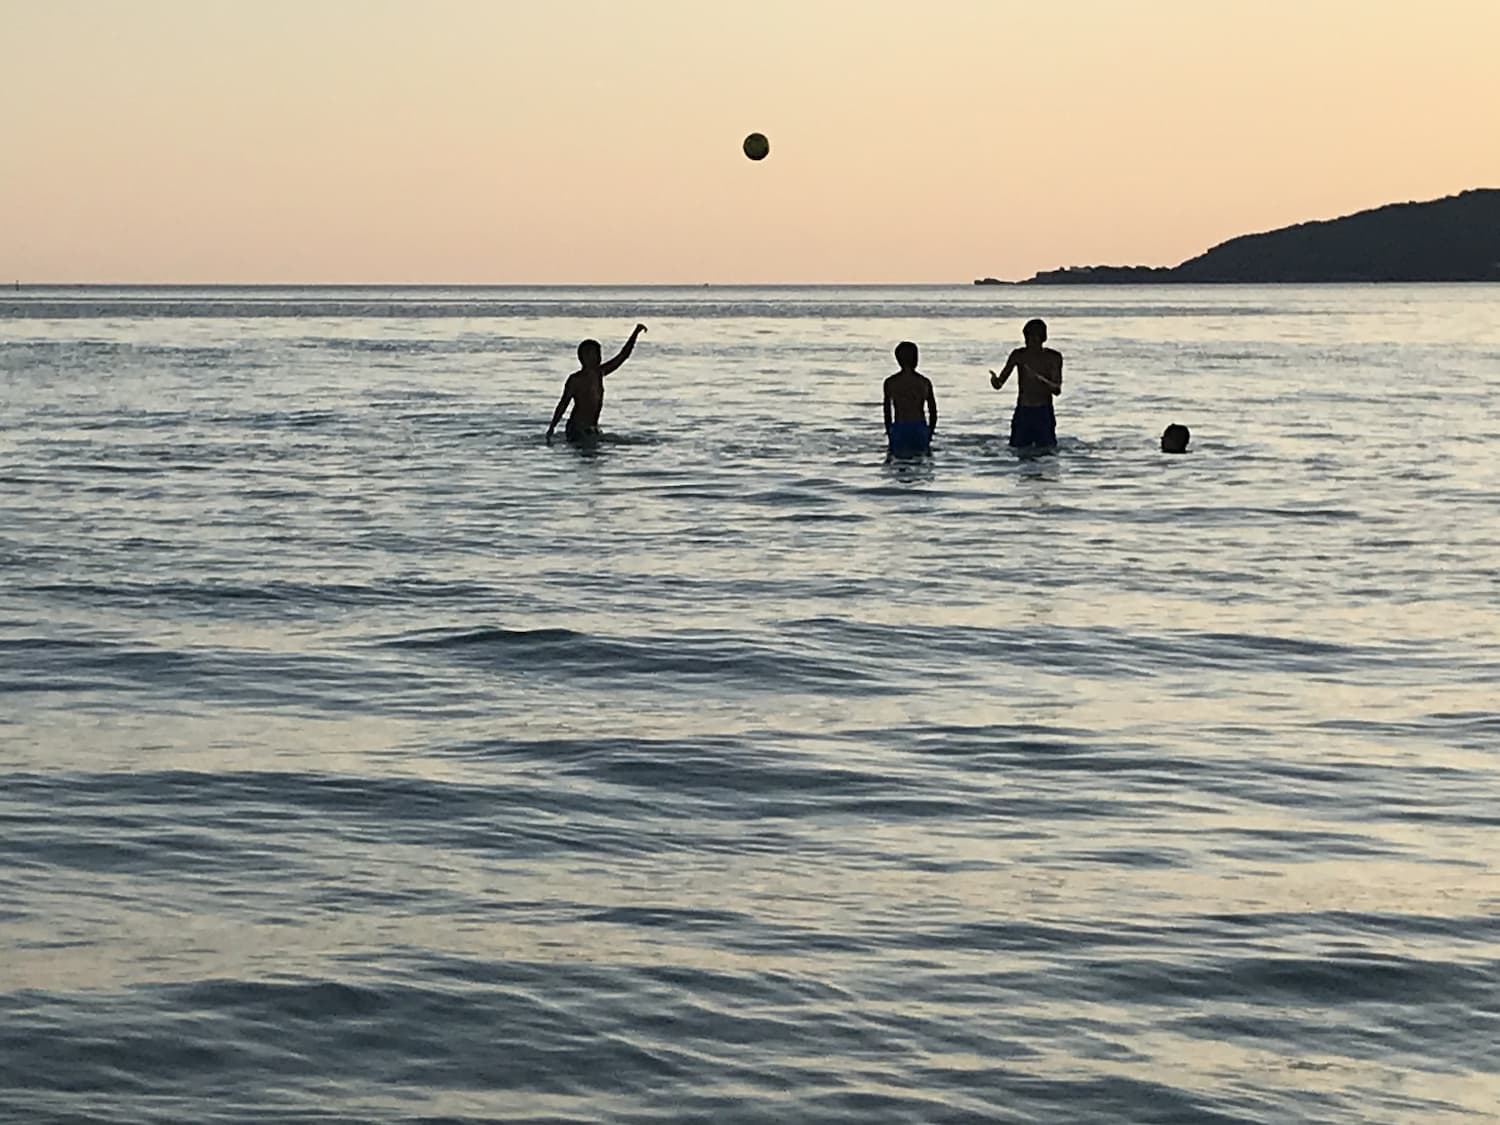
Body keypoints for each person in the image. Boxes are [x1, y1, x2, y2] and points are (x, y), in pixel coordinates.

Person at [546, 323, 647, 442]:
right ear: (584, 357)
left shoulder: (599, 373)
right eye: (596, 354)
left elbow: (623, 356)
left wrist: (635, 332)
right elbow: (563, 404)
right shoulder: (575, 380)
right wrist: (552, 427)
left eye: (599, 354)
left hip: (592, 428)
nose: (599, 357)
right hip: (577, 429)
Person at [990, 318, 1062, 448]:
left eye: (1034, 338)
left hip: (1043, 412)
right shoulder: (1019, 355)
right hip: (1023, 412)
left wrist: (1038, 379)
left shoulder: (1053, 357)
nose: (1030, 343)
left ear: (1042, 338)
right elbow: (1000, 384)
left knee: (1047, 452)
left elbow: (1057, 389)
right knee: (1017, 450)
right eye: (1027, 338)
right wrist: (995, 381)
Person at [883, 341, 937, 456]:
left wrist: (890, 432)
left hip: (900, 426)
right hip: (919, 427)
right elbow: (933, 412)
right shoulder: (924, 382)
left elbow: (887, 412)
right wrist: (930, 432)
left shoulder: (891, 382)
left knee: (897, 459)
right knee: (921, 459)